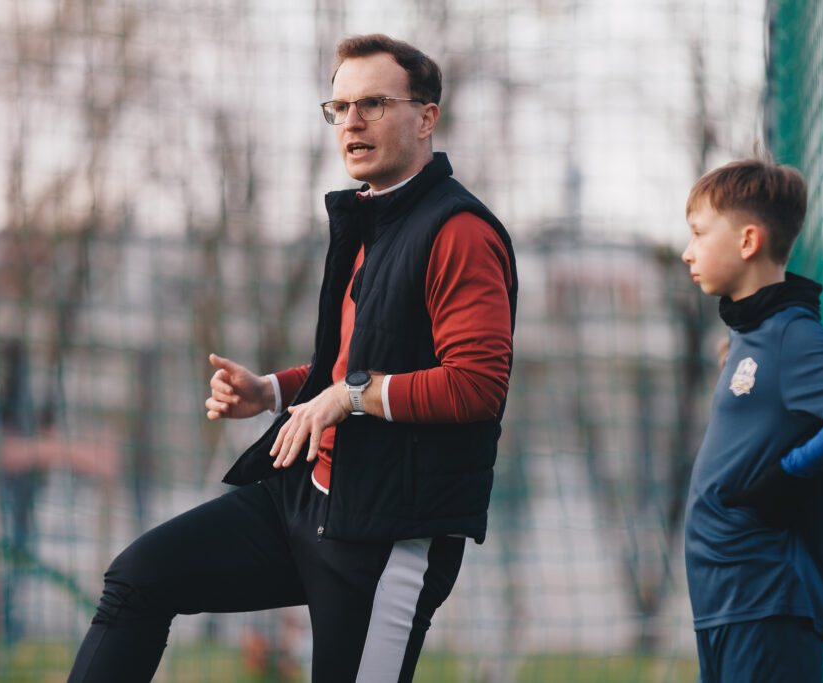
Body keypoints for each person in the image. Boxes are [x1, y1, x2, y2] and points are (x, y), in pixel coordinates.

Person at [68, 33, 517, 683]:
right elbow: (353, 362)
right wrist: (271, 393)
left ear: (426, 118)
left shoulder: (459, 232)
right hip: (302, 501)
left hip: (386, 536)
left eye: (373, 103)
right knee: (137, 579)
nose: (352, 121)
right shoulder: (372, 222)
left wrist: (349, 396)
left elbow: (476, 385)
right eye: (340, 107)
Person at [680, 156, 823, 682]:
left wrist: (792, 471)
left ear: (748, 241)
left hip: (767, 599)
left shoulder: (788, 334)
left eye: (700, 233)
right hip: (727, 602)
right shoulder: (752, 335)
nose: (688, 251)